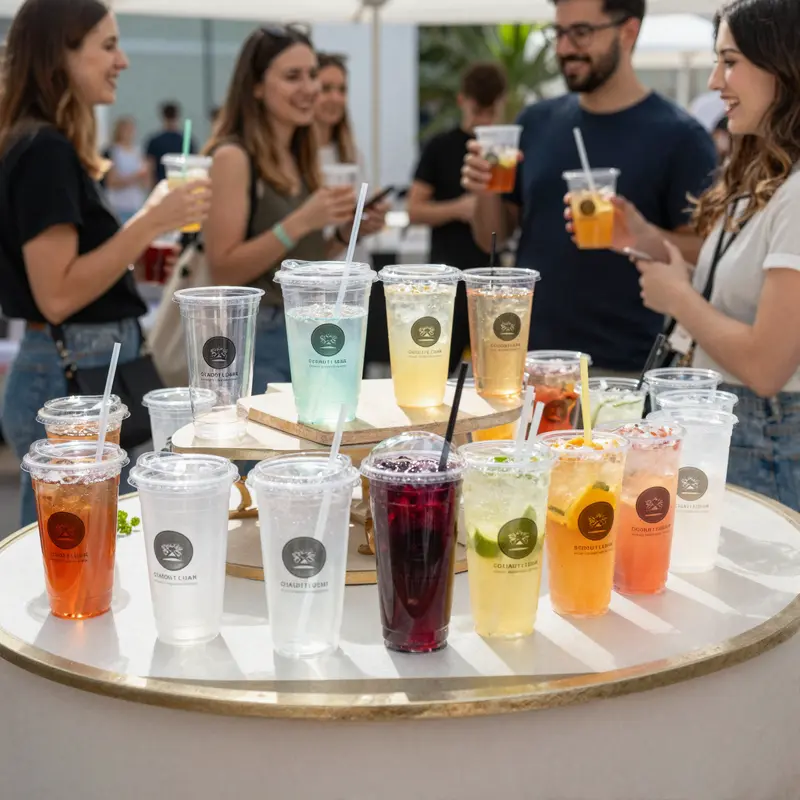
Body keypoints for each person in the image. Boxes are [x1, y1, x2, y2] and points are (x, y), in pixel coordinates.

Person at [0, 0, 211, 527]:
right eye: (109, 45)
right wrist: (149, 221)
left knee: (82, 544)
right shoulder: (44, 149)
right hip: (69, 366)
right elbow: (57, 294)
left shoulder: (46, 145)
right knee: (71, 552)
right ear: (60, 57)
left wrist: (144, 228)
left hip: (76, 363)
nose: (123, 61)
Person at [462, 0, 718, 376]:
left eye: (581, 32)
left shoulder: (682, 137)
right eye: (559, 33)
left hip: (622, 371)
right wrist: (484, 189)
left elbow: (704, 254)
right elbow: (493, 238)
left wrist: (640, 235)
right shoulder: (535, 122)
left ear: (628, 32)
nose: (564, 49)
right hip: (526, 361)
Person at [623, 0, 800, 510]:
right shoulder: (761, 177)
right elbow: (735, 287)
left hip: (768, 453)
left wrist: (678, 298)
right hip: (733, 441)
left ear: (783, 66)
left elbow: (767, 367)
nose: (714, 82)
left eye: (731, 61)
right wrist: (642, 236)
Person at [203, 27, 385, 395]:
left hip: (311, 329)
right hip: (261, 336)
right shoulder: (233, 157)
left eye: (312, 74)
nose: (309, 88)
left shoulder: (299, 156)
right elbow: (222, 267)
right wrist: (302, 220)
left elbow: (299, 259)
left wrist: (345, 234)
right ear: (255, 86)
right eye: (292, 76)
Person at [408, 62, 507, 375]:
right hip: (445, 282)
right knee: (435, 370)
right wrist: (458, 208)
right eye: (478, 111)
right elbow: (414, 210)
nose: (483, 121)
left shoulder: (506, 152)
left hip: (490, 280)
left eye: (490, 112)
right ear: (462, 101)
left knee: (493, 371)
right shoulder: (440, 147)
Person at [104, 115, 148, 223]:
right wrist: (136, 177)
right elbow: (112, 182)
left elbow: (145, 183)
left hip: (136, 205)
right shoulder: (113, 151)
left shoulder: (138, 151)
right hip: (118, 206)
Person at [145, 101, 197, 186]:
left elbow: (150, 167)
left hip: (161, 185)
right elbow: (193, 165)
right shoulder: (187, 140)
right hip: (182, 184)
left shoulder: (154, 141)